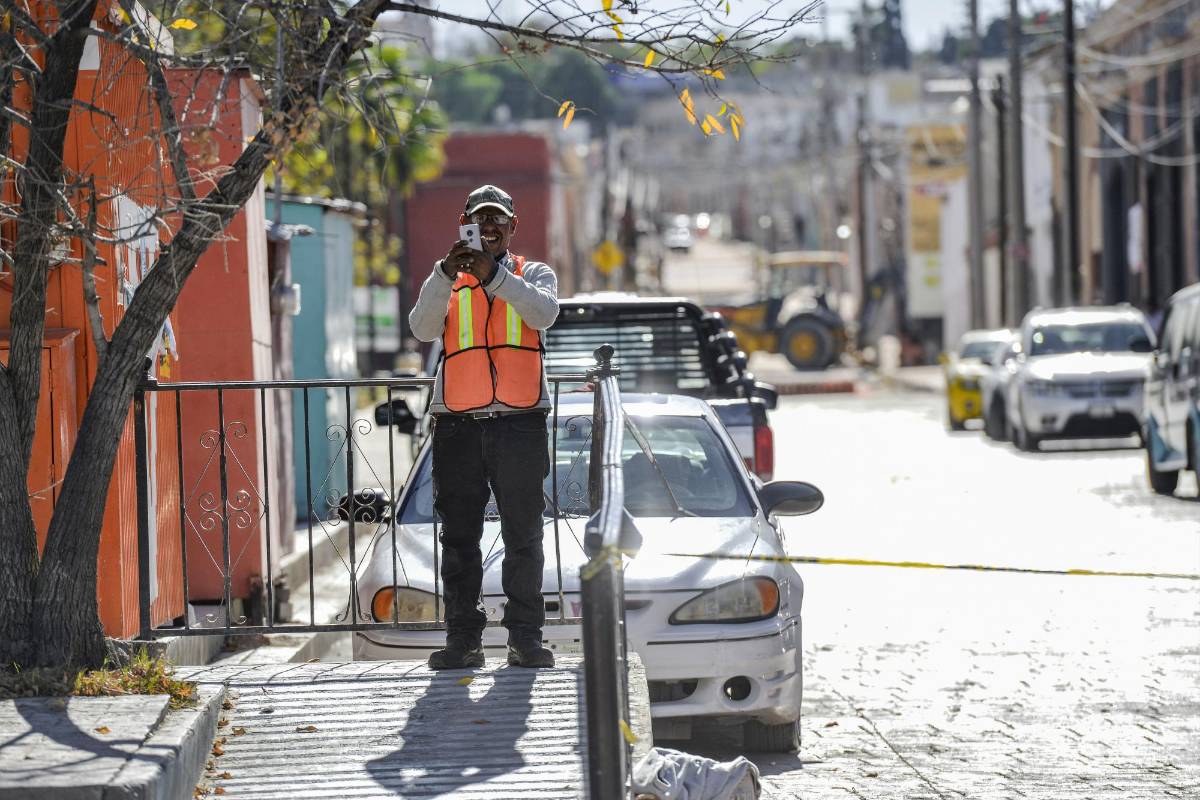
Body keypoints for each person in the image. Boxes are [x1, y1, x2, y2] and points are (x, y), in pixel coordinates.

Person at [408, 185, 560, 670]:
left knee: (523, 535)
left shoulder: (532, 274)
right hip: (459, 424)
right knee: (458, 537)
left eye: (498, 219)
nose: (489, 227)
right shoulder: (447, 277)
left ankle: (525, 638)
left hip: (519, 423)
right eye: (480, 219)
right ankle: (463, 638)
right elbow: (422, 329)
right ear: (465, 223)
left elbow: (544, 313)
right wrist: (443, 274)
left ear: (513, 227)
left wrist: (492, 275)